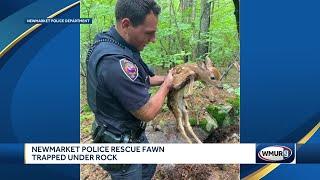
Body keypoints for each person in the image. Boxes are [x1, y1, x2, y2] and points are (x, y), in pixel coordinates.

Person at [86, 0, 173, 179]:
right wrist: (167, 85)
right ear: (126, 24)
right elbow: (147, 112)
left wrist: (166, 78)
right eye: (149, 33)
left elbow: (139, 80)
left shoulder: (112, 43)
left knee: (148, 167)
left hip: (129, 133)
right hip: (120, 144)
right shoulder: (114, 62)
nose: (153, 39)